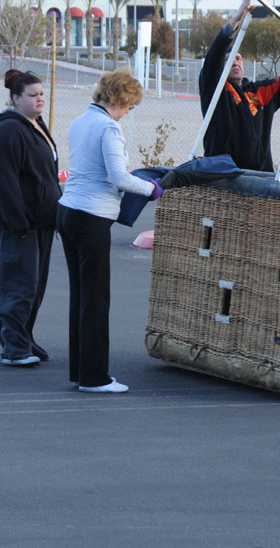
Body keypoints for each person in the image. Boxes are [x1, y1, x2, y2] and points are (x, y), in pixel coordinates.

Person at [57, 70, 164, 394]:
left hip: (68, 210)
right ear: (119, 100)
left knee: (81, 295)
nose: (129, 111)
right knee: (96, 298)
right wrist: (152, 189)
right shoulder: (109, 128)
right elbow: (119, 177)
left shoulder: (80, 121)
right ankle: (94, 377)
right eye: (130, 105)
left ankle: (80, 371)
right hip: (91, 216)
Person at [199, 0, 280, 171]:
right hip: (224, 174)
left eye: (238, 58)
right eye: (229, 60)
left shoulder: (260, 92)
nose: (235, 63)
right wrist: (233, 23)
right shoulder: (216, 89)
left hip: (260, 175)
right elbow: (212, 60)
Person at [0, 70, 61, 366]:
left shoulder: (37, 125)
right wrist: (18, 222)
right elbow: (6, 179)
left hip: (44, 221)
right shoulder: (10, 129)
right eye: (33, 95)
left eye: (41, 94)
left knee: (36, 287)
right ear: (15, 99)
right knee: (19, 286)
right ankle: (13, 348)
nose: (40, 99)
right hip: (21, 225)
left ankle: (25, 338)